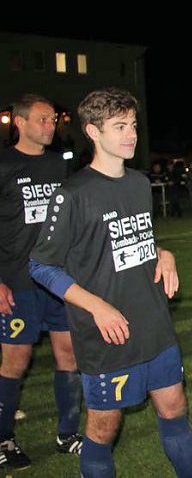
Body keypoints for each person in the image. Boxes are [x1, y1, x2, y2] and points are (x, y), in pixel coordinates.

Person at [29, 88, 192, 477]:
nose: (131, 134)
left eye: (133, 125)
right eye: (119, 126)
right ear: (92, 131)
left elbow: (132, 241)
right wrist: (97, 306)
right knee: (104, 428)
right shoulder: (72, 195)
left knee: (175, 410)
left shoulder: (140, 184)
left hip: (155, 325)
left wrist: (165, 253)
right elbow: (42, 265)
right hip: (108, 335)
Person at [0, 94, 82, 469]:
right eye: (43, 120)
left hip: (56, 278)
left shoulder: (57, 166)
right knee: (16, 360)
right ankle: (3, 439)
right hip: (16, 280)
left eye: (54, 120)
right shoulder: (4, 165)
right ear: (20, 122)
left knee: (69, 354)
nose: (51, 126)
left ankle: (68, 434)